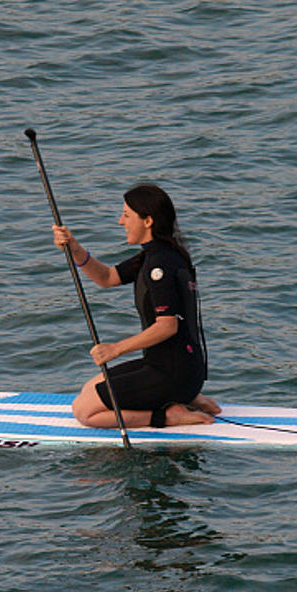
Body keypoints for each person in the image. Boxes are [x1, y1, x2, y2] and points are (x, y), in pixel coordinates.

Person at [52, 183, 221, 429]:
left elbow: (167, 327)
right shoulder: (162, 254)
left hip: (171, 373)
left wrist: (115, 349)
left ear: (148, 221)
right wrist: (74, 248)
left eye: (127, 215)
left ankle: (168, 415)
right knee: (88, 389)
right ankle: (187, 397)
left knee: (84, 411)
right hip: (180, 368)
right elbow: (107, 278)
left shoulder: (158, 267)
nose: (121, 222)